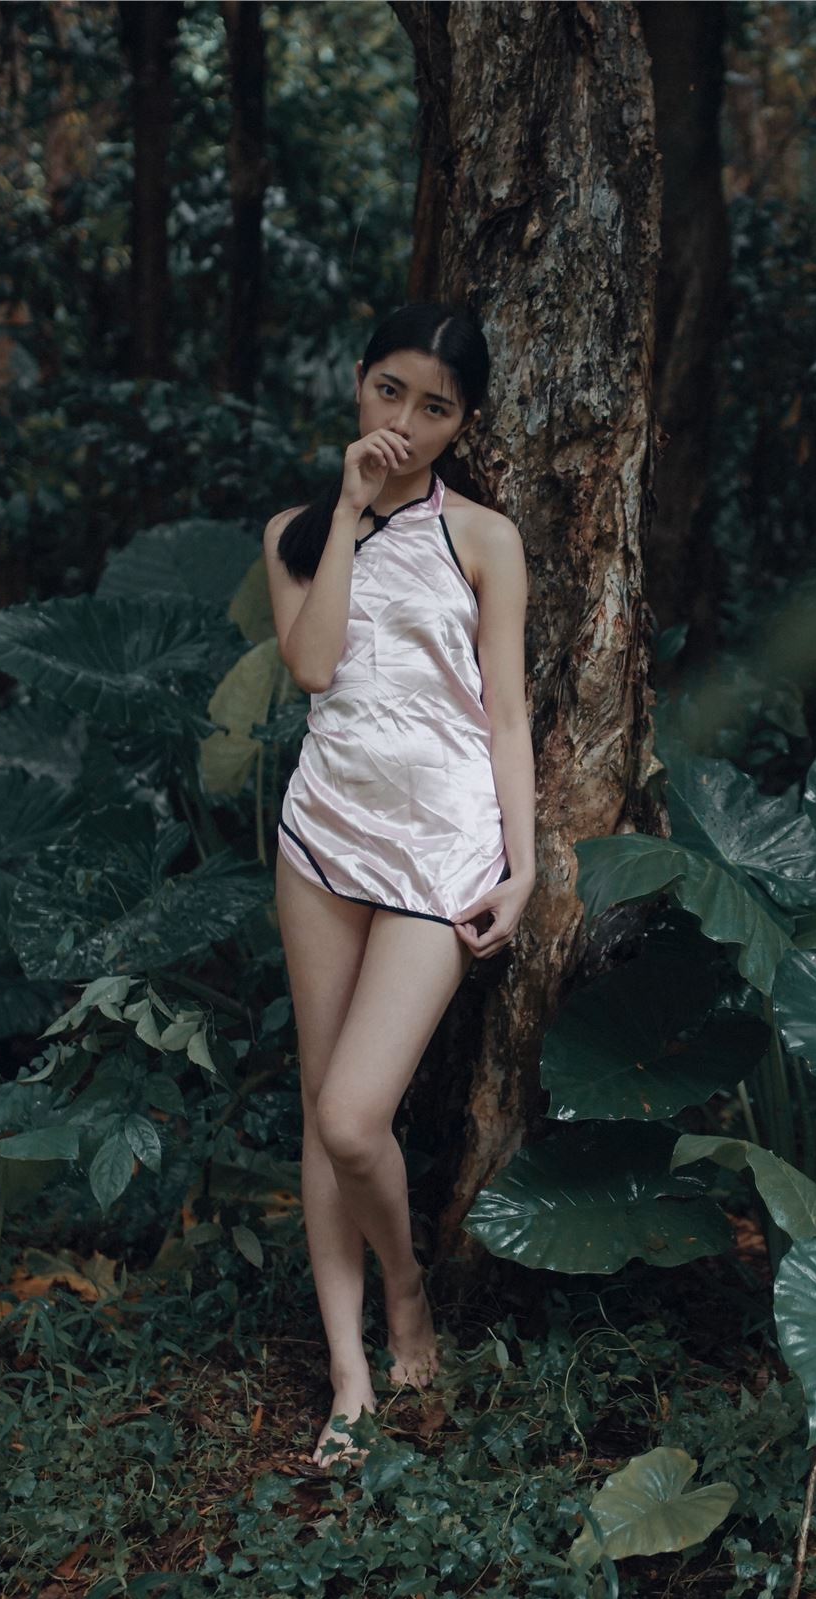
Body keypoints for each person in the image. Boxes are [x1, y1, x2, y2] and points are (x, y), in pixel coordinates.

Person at [261, 303, 535, 1468]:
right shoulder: (294, 532)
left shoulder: (486, 536)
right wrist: (351, 510)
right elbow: (316, 666)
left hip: (438, 846)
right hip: (323, 837)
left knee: (351, 1114)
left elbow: (508, 710)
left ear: (463, 422)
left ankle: (408, 1287)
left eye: (435, 407)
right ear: (358, 387)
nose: (406, 424)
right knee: (318, 1115)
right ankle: (350, 1375)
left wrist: (521, 869)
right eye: (390, 393)